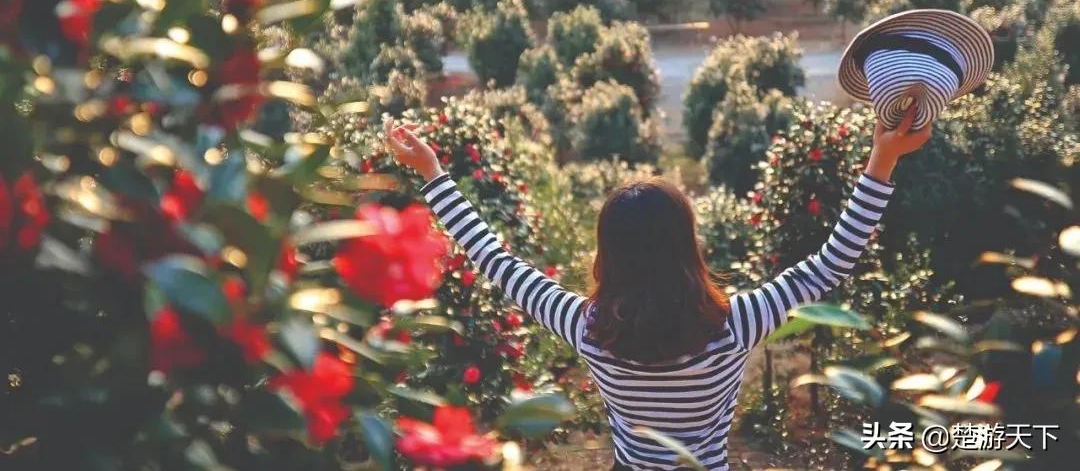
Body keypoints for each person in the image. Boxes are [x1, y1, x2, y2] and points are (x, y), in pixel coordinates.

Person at [384, 101, 931, 471]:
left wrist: (434, 174)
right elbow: (830, 263)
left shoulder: (586, 326)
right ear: (687, 246)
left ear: (609, 253)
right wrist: (883, 159)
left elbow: (494, 259)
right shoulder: (736, 323)